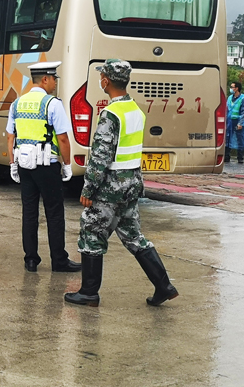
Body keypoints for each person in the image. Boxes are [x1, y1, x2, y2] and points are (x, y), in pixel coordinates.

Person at [64, 59, 178, 308]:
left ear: (106, 80)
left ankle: (89, 293)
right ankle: (163, 286)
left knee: (92, 232)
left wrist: (88, 188)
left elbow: (101, 156)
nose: (100, 80)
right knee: (133, 236)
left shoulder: (110, 114)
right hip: (131, 184)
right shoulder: (136, 110)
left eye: (101, 76)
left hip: (110, 186)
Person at [6, 61, 80, 273]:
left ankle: (31, 260)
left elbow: (11, 137)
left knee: (29, 212)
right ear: (45, 79)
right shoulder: (52, 104)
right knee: (54, 213)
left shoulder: (17, 104)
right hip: (47, 166)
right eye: (54, 78)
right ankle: (59, 261)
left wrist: (13, 163)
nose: (55, 83)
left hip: (24, 165)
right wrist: (67, 165)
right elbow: (63, 139)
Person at [225, 81, 244, 164]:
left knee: (240, 139)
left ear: (237, 88)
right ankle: (226, 157)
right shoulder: (229, 98)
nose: (231, 89)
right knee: (227, 138)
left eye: (232, 87)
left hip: (238, 121)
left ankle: (240, 158)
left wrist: (241, 123)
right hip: (229, 121)